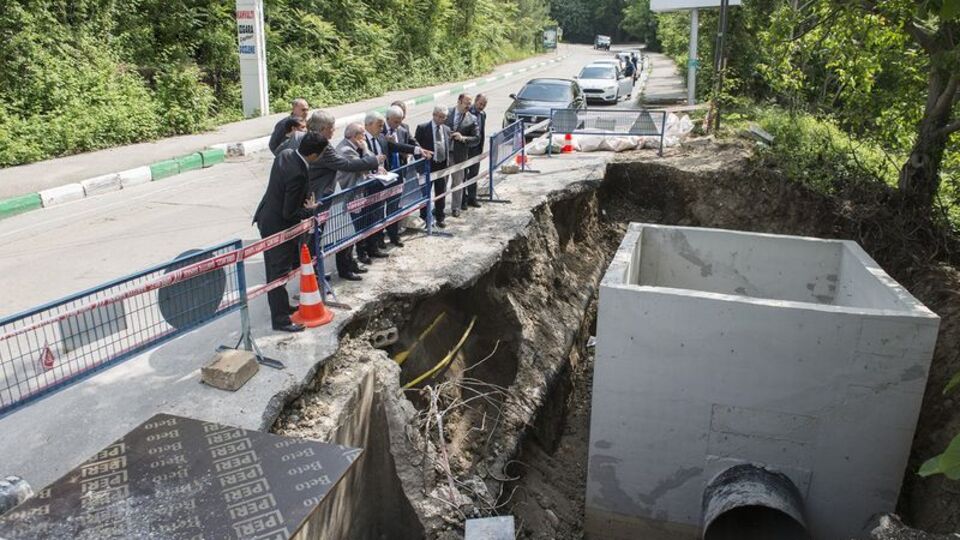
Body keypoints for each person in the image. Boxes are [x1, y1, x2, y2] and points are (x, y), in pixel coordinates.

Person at [252, 132, 328, 332]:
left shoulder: (285, 154)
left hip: (267, 217)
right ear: (314, 155)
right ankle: (281, 320)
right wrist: (310, 210)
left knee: (280, 270)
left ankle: (283, 307)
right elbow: (289, 212)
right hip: (278, 227)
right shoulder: (298, 173)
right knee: (277, 275)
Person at [305, 111, 382, 281]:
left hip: (329, 195)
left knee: (334, 234)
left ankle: (323, 271)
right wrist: (374, 159)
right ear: (324, 128)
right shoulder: (323, 146)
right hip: (321, 198)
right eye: (332, 128)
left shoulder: (313, 140)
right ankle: (319, 274)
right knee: (324, 236)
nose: (334, 132)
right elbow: (347, 165)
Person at [372, 109, 433, 247]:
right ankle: (379, 239)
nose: (398, 125)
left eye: (400, 121)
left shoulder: (403, 129)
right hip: (382, 177)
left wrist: (418, 150)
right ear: (388, 119)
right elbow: (390, 147)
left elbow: (403, 145)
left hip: (398, 175)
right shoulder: (378, 132)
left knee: (395, 207)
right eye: (395, 121)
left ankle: (394, 235)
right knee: (379, 210)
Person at [335, 122, 386, 277]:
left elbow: (371, 164)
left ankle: (351, 264)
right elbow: (366, 163)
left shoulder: (354, 147)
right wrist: (365, 150)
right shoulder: (345, 150)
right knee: (347, 235)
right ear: (355, 136)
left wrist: (368, 156)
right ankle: (345, 269)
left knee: (354, 232)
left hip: (357, 195)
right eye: (363, 135)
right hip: (349, 196)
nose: (365, 137)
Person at [415, 107, 452, 228]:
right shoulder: (422, 128)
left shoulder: (446, 129)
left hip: (441, 166)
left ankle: (440, 216)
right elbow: (416, 147)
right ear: (434, 115)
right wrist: (420, 164)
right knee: (425, 193)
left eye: (444, 117)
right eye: (439, 116)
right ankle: (425, 217)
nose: (441, 119)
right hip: (427, 166)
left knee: (440, 192)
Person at [445, 94, 479, 218]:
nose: (468, 106)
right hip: (445, 154)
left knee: (457, 182)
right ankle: (439, 208)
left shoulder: (472, 119)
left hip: (459, 155)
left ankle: (455, 208)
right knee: (442, 182)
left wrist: (463, 138)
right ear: (459, 101)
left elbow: (476, 138)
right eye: (466, 103)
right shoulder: (447, 113)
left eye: (470, 104)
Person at [464, 94, 487, 210]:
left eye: (484, 105)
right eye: (480, 104)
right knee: (463, 175)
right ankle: (463, 200)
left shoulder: (483, 114)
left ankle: (472, 198)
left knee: (474, 175)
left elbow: (481, 133)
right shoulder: (468, 113)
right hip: (467, 149)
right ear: (475, 101)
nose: (482, 107)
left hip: (477, 149)